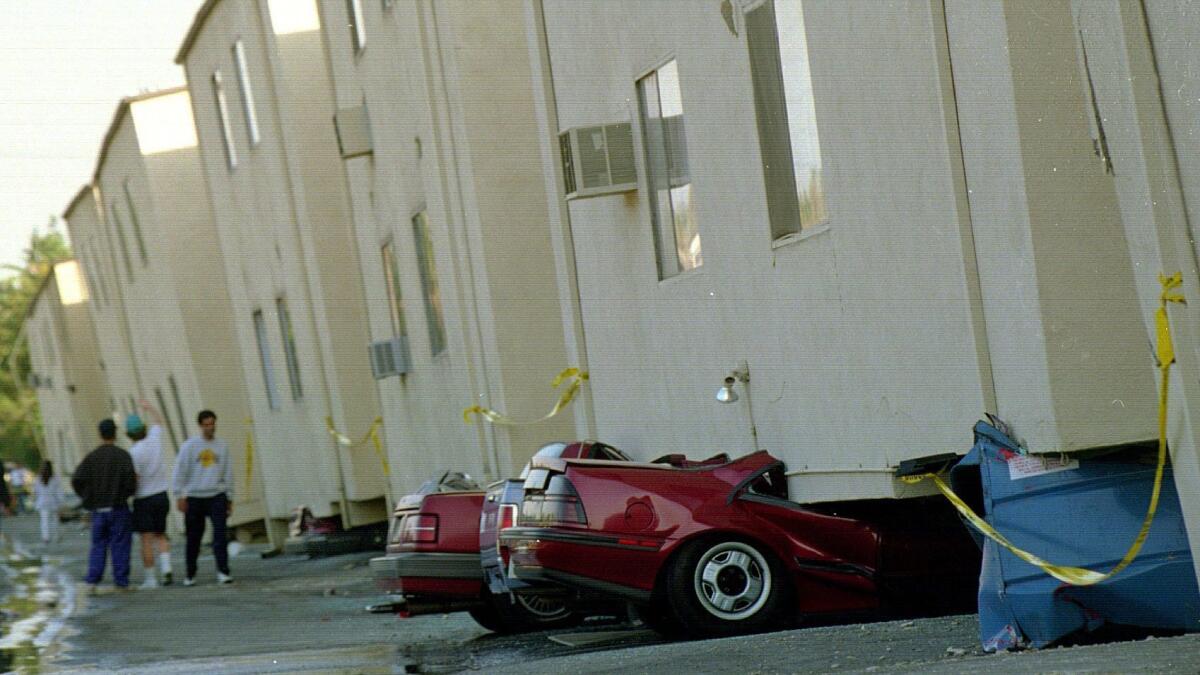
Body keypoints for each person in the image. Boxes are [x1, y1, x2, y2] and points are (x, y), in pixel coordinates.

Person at [72, 419, 137, 593]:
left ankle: (92, 581)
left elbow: (77, 479)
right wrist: (125, 494)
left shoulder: (91, 457)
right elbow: (131, 481)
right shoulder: (123, 455)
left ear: (100, 434)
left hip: (98, 510)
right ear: (114, 434)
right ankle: (121, 581)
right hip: (118, 507)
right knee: (120, 544)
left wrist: (87, 499)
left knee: (98, 545)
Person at [172, 409, 234, 586]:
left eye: (212, 424)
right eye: (206, 425)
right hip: (195, 496)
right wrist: (179, 495)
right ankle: (190, 573)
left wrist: (229, 496)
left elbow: (228, 472)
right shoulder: (189, 446)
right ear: (200, 426)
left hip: (216, 495)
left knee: (220, 536)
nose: (210, 428)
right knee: (194, 537)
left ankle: (223, 571)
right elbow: (180, 471)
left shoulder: (222, 446)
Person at [126, 404, 174, 588]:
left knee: (146, 538)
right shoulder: (155, 439)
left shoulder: (134, 453)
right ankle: (167, 568)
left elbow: (135, 479)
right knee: (161, 535)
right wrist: (149, 407)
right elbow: (159, 421)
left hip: (144, 499)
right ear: (144, 428)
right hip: (162, 495)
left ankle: (150, 579)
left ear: (129, 434)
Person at [32, 460, 63, 544]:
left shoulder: (38, 478)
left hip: (42, 502)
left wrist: (34, 502)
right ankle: (56, 537)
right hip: (53, 502)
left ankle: (46, 538)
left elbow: (35, 491)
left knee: (44, 521)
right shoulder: (55, 477)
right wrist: (61, 502)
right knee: (55, 520)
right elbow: (59, 492)